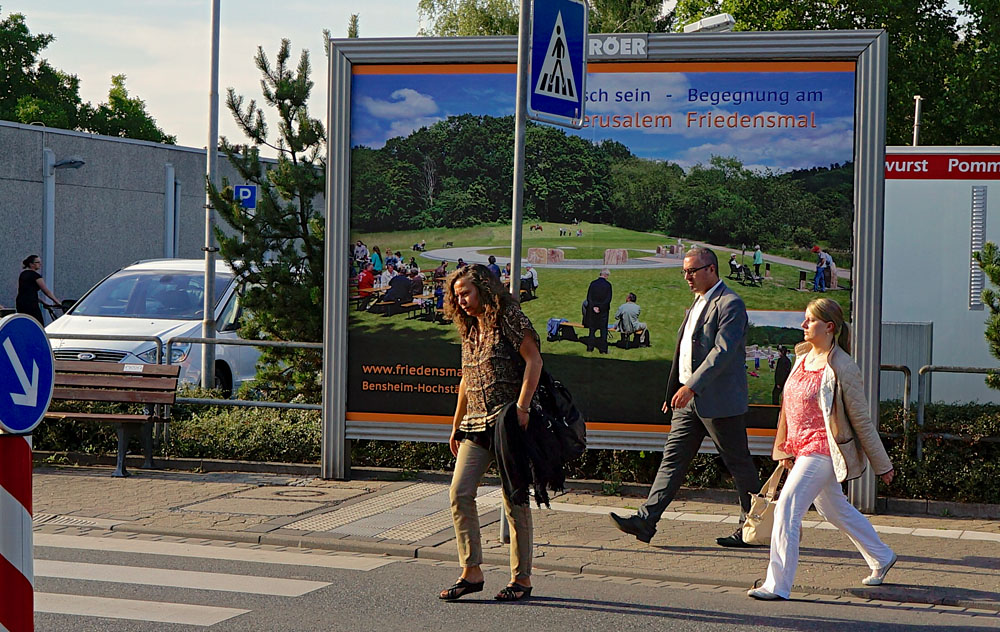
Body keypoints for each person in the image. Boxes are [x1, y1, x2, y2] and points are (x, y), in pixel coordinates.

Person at [610, 247, 762, 547]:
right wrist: (674, 392)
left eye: (692, 271)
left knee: (739, 465)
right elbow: (685, 351)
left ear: (711, 270)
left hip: (719, 402)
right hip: (688, 402)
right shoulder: (697, 303)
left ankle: (753, 528)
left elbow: (722, 353)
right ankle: (645, 520)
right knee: (672, 461)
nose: (687, 277)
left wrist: (691, 386)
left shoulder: (730, 304)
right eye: (684, 272)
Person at [748, 298, 896, 600]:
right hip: (801, 448)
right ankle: (881, 556)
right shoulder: (802, 357)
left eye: (810, 320)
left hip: (824, 448)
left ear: (829, 327)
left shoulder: (843, 365)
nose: (803, 325)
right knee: (833, 509)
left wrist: (883, 465)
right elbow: (789, 408)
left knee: (788, 506)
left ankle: (777, 585)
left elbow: (862, 421)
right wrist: (786, 448)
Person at [439, 264, 543, 603]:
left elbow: (534, 361)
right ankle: (472, 571)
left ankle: (521, 578)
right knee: (459, 492)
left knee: (514, 499)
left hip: (507, 421)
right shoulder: (470, 327)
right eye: (457, 296)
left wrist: (523, 408)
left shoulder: (508, 317)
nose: (462, 300)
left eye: (466, 293)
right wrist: (456, 424)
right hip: (474, 425)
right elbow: (466, 380)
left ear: (484, 288)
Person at [16, 255, 60, 325]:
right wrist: (57, 302)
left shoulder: (23, 274)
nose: (40, 264)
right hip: (31, 304)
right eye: (37, 262)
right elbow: (46, 291)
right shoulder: (35, 276)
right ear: (31, 264)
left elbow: (27, 292)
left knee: (24, 322)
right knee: (37, 322)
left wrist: (42, 302)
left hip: (20, 302)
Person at [584, 269, 612, 354]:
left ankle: (590, 347)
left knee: (592, 330)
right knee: (603, 330)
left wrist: (594, 307)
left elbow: (589, 297)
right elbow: (608, 299)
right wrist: (600, 307)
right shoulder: (608, 285)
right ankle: (603, 349)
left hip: (592, 311)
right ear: (606, 275)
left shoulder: (593, 284)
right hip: (603, 311)